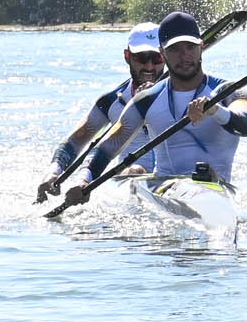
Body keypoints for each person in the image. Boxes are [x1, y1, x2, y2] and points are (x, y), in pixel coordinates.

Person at [58, 11, 247, 209]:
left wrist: (215, 110)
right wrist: (84, 180)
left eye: (190, 47)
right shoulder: (146, 100)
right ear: (162, 52)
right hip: (165, 189)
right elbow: (108, 148)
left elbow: (245, 125)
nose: (184, 55)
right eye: (175, 49)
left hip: (218, 189)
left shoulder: (229, 92)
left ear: (201, 47)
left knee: (209, 180)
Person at [34, 23, 166, 202]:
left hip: (177, 181)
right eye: (142, 58)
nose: (150, 66)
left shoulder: (183, 95)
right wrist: (54, 172)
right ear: (127, 56)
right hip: (130, 180)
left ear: (166, 56)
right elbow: (75, 142)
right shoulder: (111, 102)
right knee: (135, 171)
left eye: (156, 58)